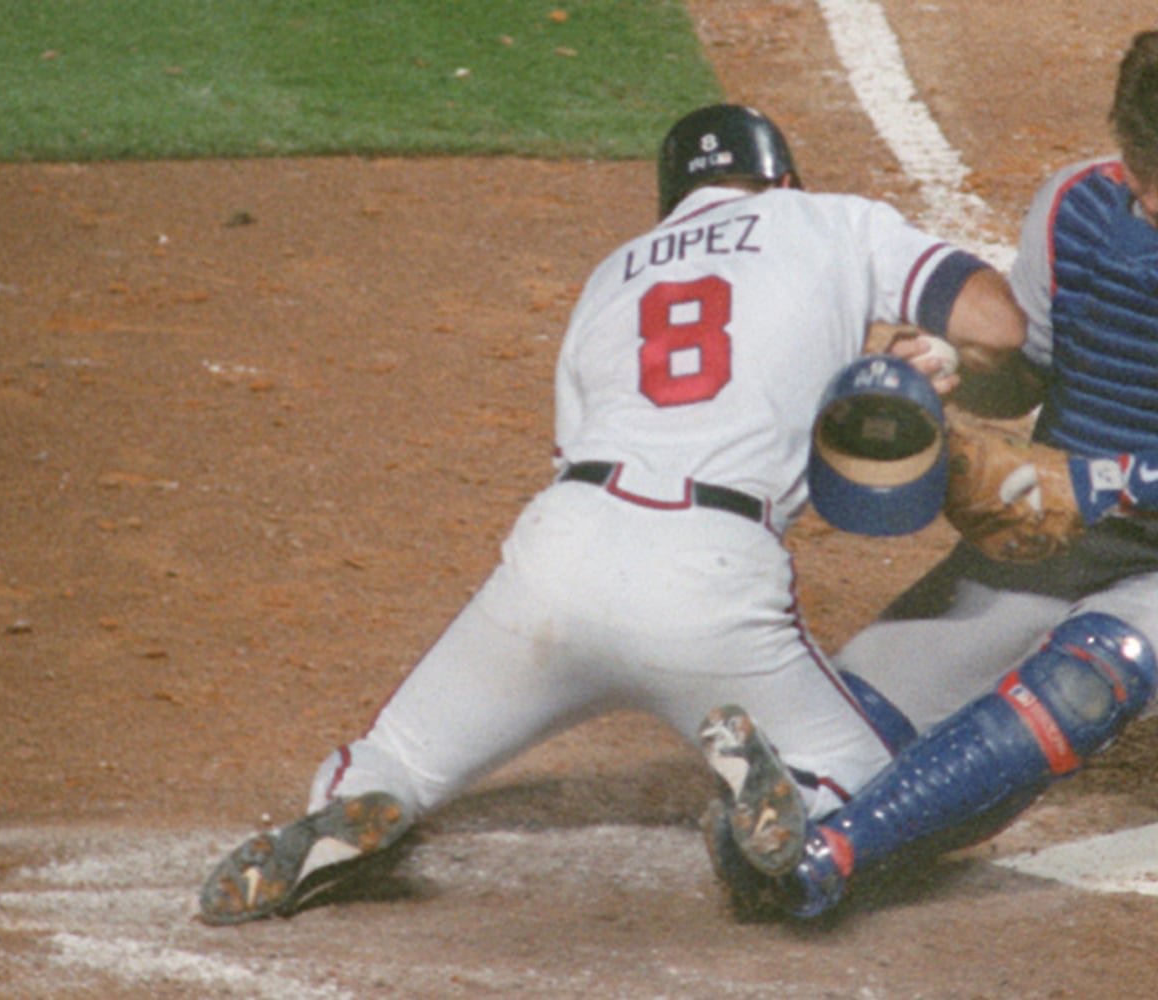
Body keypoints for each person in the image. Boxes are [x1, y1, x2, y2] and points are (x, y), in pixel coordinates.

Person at [194, 103, 1027, 924]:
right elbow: (997, 322)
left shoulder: (614, 273)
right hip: (710, 585)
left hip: (561, 554)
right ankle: (785, 801)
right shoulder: (829, 221)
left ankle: (358, 802)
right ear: (781, 178)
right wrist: (930, 357)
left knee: (400, 753)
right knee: (873, 794)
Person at [700, 24, 1158, 920]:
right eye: (1136, 173)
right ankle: (777, 829)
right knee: (841, 722)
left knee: (1090, 674)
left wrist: (1099, 481)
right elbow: (1024, 374)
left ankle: (835, 855)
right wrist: (947, 361)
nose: (1153, 204)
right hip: (1048, 539)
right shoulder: (1073, 205)